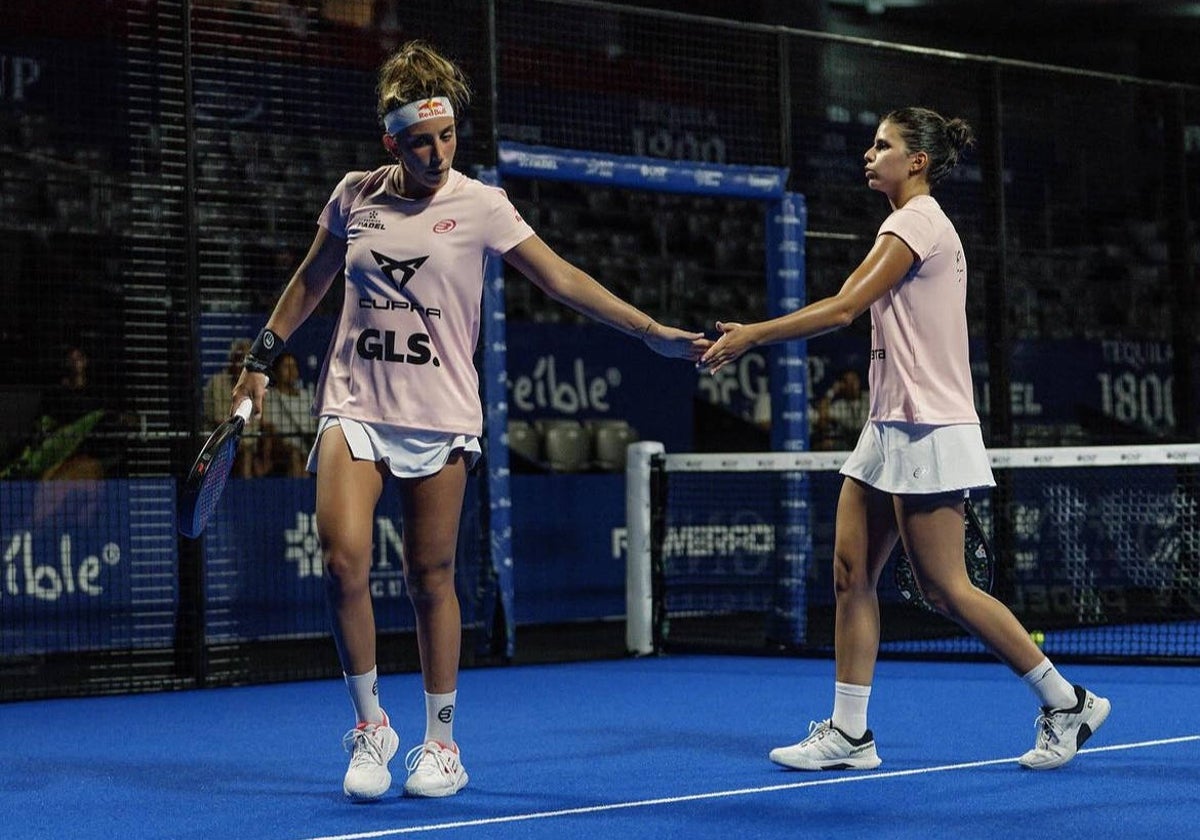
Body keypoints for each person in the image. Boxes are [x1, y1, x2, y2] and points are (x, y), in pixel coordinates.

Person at [228, 40, 709, 801]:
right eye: (420, 140)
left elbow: (563, 279)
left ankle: (441, 743)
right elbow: (310, 281)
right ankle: (369, 726)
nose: (437, 152)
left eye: (447, 136)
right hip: (354, 402)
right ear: (391, 140)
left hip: (442, 413)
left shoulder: (482, 205)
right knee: (342, 559)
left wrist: (653, 333)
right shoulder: (355, 195)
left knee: (431, 577)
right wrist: (260, 357)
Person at [699, 107, 1109, 772]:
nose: (869, 154)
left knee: (947, 587)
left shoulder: (915, 220)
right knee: (850, 573)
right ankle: (851, 734)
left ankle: (1068, 702)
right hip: (889, 425)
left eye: (883, 145)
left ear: (916, 160)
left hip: (928, 427)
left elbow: (841, 308)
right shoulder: (907, 222)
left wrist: (750, 335)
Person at [259, 352, 317, 477]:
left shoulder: (307, 396)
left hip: (309, 445)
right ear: (277, 371)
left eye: (294, 367)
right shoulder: (270, 396)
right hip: (282, 446)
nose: (291, 371)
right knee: (295, 456)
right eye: (286, 367)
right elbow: (269, 428)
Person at [812, 368, 868, 451]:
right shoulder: (840, 405)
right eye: (848, 382)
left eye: (854, 380)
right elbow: (823, 414)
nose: (852, 385)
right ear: (843, 385)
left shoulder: (869, 397)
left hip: (869, 440)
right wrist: (832, 391)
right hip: (849, 443)